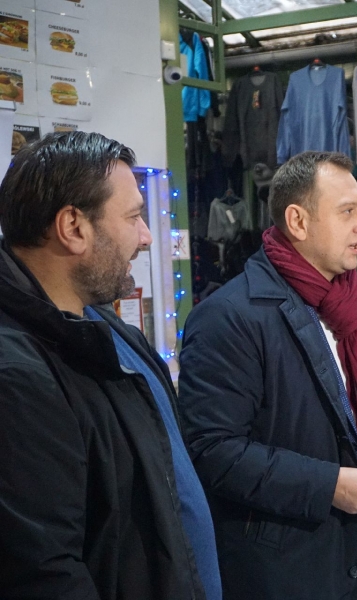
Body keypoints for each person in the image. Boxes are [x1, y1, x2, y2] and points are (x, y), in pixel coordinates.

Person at [176, 151, 357, 600]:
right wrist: (327, 485)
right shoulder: (228, 317)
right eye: (348, 212)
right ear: (297, 221)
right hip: (288, 568)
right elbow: (212, 451)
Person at [0, 132, 220, 599]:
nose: (146, 237)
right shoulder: (17, 375)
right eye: (134, 217)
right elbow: (44, 573)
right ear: (73, 227)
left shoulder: (108, 328)